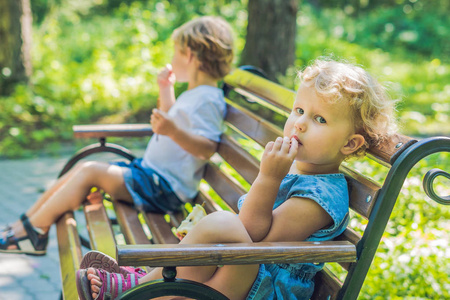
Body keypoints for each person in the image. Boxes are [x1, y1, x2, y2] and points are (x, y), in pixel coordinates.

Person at [75, 58, 398, 300]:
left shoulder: (321, 199)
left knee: (225, 226)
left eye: (319, 119)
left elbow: (255, 238)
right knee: (222, 227)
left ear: (350, 144)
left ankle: (138, 290)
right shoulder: (305, 176)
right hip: (245, 275)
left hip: (264, 289)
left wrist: (269, 177)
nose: (298, 124)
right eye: (298, 110)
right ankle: (150, 286)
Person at [0, 15, 234, 256]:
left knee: (90, 170)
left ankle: (33, 232)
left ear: (191, 55)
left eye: (175, 52)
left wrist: (172, 130)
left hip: (163, 188)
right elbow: (174, 119)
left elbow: (207, 147)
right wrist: (166, 91)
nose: (172, 59)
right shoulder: (197, 94)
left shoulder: (208, 99)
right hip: (151, 176)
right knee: (83, 168)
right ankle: (22, 226)